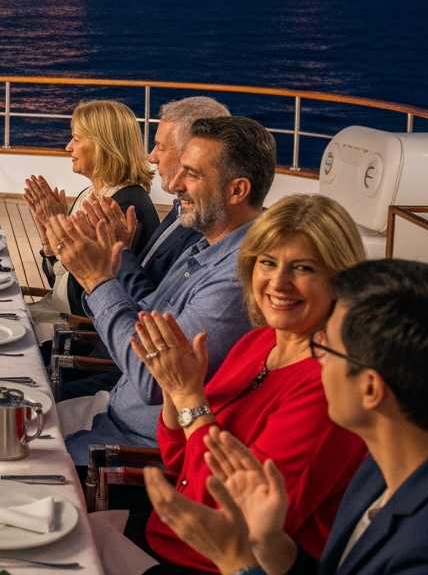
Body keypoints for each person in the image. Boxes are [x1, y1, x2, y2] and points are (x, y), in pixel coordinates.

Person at [142, 258, 428, 575]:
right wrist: (269, 542)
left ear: (370, 389)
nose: (317, 356)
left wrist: (236, 559)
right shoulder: (384, 466)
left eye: (328, 347)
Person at [133, 194, 369, 572]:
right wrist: (172, 391)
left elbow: (238, 515)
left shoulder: (329, 385)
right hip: (167, 536)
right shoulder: (257, 343)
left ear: (340, 279)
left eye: (303, 268)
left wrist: (190, 394)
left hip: (211, 564)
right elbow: (181, 460)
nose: (279, 282)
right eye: (268, 262)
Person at [52, 115, 278, 461]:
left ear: (237, 190)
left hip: (126, 448)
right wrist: (102, 277)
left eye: (193, 174)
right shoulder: (205, 246)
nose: (174, 184)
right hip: (111, 408)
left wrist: (99, 282)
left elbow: (153, 379)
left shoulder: (237, 278)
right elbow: (144, 322)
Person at [78, 97, 231, 305]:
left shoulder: (203, 224)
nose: (151, 157)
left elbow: (154, 309)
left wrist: (120, 251)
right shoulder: (180, 210)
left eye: (160, 146)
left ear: (192, 152)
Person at [24, 99, 162, 317]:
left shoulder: (119, 207)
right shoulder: (90, 195)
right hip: (59, 311)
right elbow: (60, 282)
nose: (68, 146)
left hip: (75, 329)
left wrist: (61, 237)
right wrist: (51, 242)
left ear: (103, 146)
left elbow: (88, 297)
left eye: (76, 139)